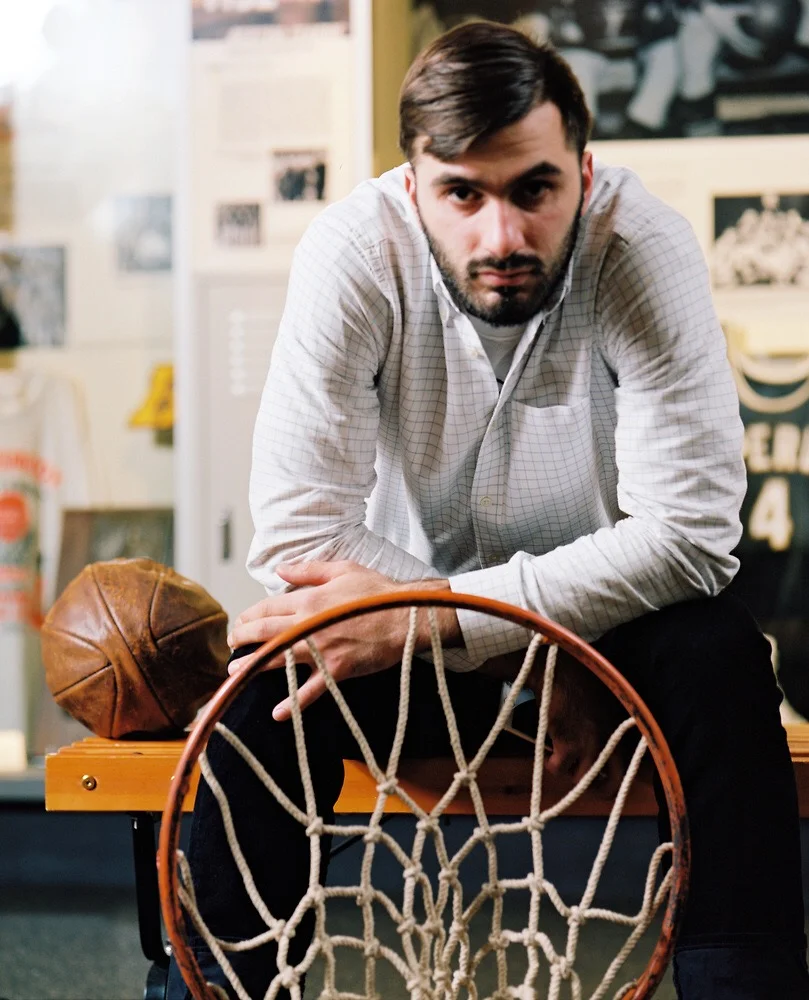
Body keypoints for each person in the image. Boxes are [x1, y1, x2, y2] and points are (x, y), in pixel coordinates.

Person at [167, 22, 809, 1000]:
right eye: (462, 194)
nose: (500, 236)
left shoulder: (640, 246)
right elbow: (299, 535)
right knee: (268, 681)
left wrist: (468, 621)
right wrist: (516, 647)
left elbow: (689, 537)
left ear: (583, 174)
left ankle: (745, 981)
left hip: (611, 631)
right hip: (403, 630)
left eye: (532, 190)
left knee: (717, 655)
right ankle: (209, 984)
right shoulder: (353, 250)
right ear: (411, 185)